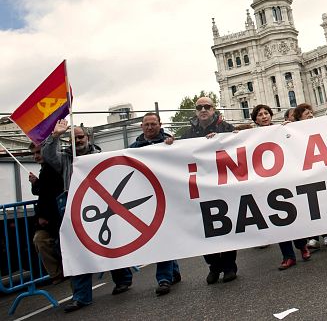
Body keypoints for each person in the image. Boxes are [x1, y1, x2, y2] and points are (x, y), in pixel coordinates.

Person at [41, 120, 133, 312]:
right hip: (73, 209)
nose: (78, 141)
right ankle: (81, 297)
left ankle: (123, 278)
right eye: (73, 139)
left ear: (88, 138)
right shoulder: (65, 159)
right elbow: (47, 154)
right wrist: (56, 135)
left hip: (101, 207)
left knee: (108, 244)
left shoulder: (100, 156)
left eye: (81, 137)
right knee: (77, 251)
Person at [250, 104, 313, 269]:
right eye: (260, 114)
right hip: (267, 183)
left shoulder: (281, 129)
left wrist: (290, 128)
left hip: (285, 179)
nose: (264, 116)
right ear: (255, 119)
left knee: (293, 215)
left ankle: (302, 246)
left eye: (266, 113)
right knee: (277, 220)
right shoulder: (249, 136)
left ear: (271, 116)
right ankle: (288, 256)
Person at [184, 97, 239, 284]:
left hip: (223, 185)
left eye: (207, 106)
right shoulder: (189, 133)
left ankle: (229, 266)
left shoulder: (226, 128)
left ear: (213, 109)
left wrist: (223, 138)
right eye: (199, 107)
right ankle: (214, 266)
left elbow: (239, 141)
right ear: (195, 111)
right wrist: (169, 144)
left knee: (227, 225)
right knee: (205, 229)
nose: (203, 110)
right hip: (200, 187)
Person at [129, 113, 181, 295]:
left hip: (169, 195)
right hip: (148, 198)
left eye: (153, 124)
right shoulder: (132, 149)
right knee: (160, 236)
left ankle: (166, 277)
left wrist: (172, 146)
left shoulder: (171, 143)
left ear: (160, 125)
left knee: (164, 235)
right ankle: (169, 274)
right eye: (146, 124)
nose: (150, 127)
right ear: (141, 127)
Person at [293, 103, 327, 248]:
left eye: (311, 113)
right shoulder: (293, 131)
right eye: (306, 114)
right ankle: (313, 237)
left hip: (320, 169)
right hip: (305, 173)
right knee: (310, 206)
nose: (310, 115)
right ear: (299, 118)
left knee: (323, 202)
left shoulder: (319, 126)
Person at [28, 142, 64, 284]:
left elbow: (49, 193)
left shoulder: (52, 168)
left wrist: (43, 216)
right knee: (40, 240)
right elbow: (42, 191)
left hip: (55, 217)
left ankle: (59, 273)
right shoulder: (45, 169)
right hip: (51, 217)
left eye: (38, 152)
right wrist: (36, 183)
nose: (36, 156)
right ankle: (57, 274)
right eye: (34, 154)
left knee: (42, 240)